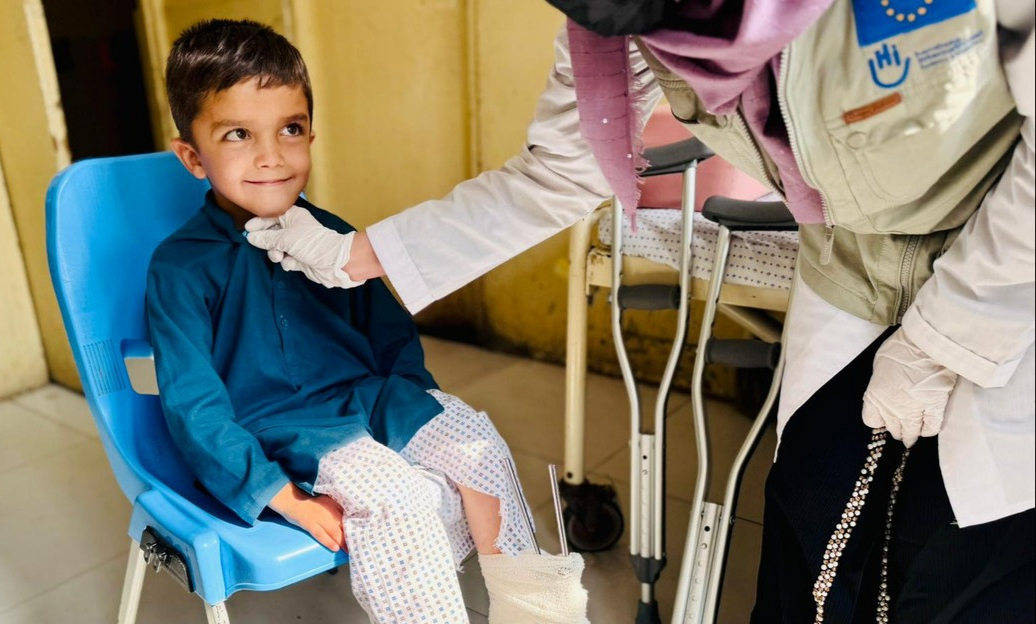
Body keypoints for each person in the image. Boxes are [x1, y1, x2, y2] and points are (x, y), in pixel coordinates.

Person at [247, 1, 1035, 621]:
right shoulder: (617, 23)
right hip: (852, 262)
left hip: (1011, 270)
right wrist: (355, 255)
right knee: (808, 520)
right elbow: (559, 169)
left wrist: (947, 338)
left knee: (960, 561)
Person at [145, 19, 589, 623]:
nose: (272, 157)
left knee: (479, 447)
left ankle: (537, 613)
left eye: (291, 129)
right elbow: (195, 407)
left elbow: (392, 340)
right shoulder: (180, 267)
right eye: (239, 135)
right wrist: (288, 500)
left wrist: (421, 424)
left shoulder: (331, 234)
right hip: (283, 427)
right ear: (193, 157)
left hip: (376, 400)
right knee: (398, 498)